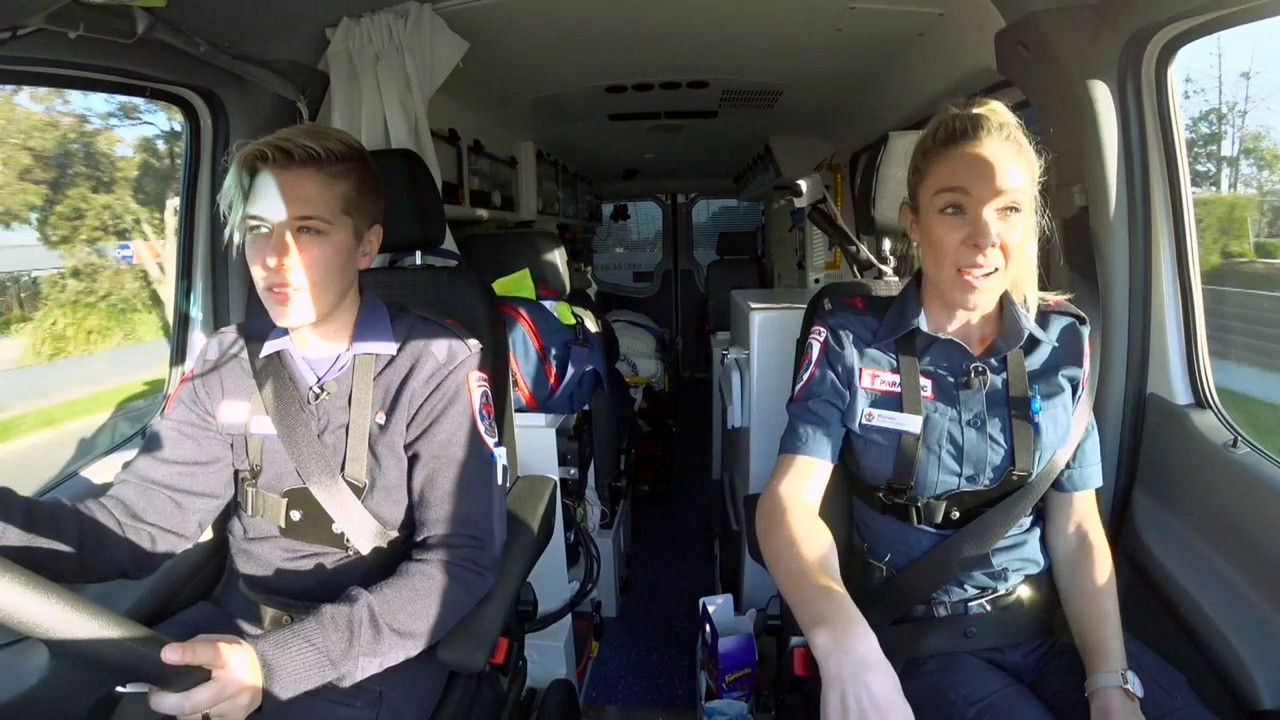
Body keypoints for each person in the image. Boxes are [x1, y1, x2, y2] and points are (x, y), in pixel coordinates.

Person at [0, 124, 506, 719]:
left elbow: (457, 561)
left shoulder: (435, 364)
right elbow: (138, 525)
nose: (274, 258)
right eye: (258, 229)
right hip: (232, 625)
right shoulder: (226, 360)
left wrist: (278, 663)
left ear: (365, 246)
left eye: (308, 230)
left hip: (372, 653)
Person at [756, 98, 1212, 720]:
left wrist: (1110, 680)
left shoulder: (1063, 345)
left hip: (1045, 631)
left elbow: (1077, 528)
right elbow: (787, 505)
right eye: (954, 208)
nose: (985, 237)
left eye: (1009, 210)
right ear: (914, 223)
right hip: (920, 639)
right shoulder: (849, 338)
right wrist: (844, 644)